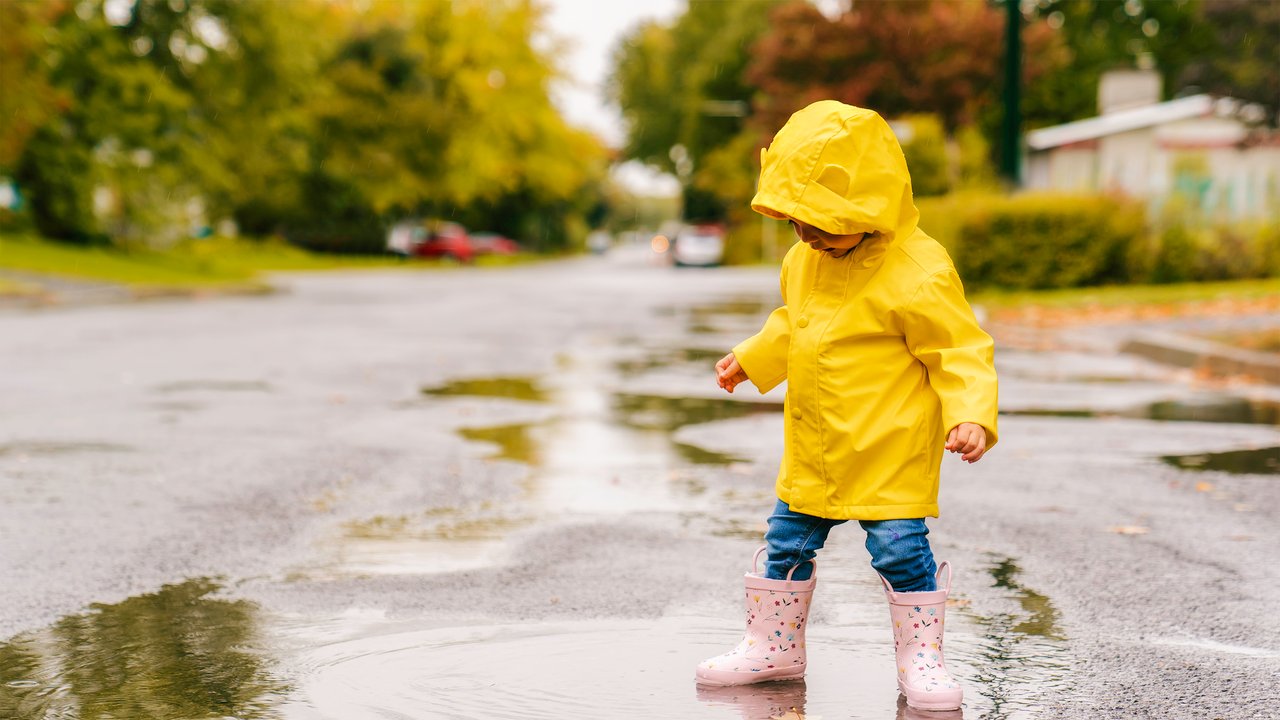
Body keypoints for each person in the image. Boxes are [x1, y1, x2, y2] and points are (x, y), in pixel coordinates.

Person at [694, 100, 999, 714]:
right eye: (797, 223)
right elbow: (796, 325)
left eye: (823, 224)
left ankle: (923, 657)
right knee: (786, 543)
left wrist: (972, 413)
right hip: (815, 445)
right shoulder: (805, 259)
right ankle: (772, 645)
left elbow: (959, 348)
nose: (807, 235)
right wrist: (755, 357)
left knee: (897, 550)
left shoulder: (917, 270)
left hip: (886, 448)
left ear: (870, 207)